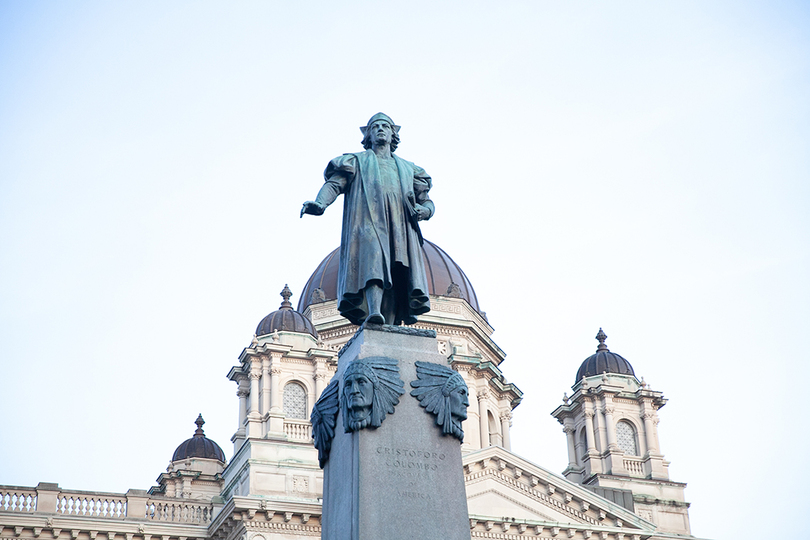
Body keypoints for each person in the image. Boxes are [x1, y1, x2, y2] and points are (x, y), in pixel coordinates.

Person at [301, 113, 434, 326]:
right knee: (374, 261)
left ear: (393, 134)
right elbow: (335, 184)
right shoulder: (356, 161)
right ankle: (373, 311)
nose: (380, 129)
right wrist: (320, 203)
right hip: (369, 220)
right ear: (368, 135)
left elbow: (426, 201)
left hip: (400, 225)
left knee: (396, 269)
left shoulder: (410, 169)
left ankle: (389, 322)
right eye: (375, 127)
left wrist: (425, 211)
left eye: (385, 126)